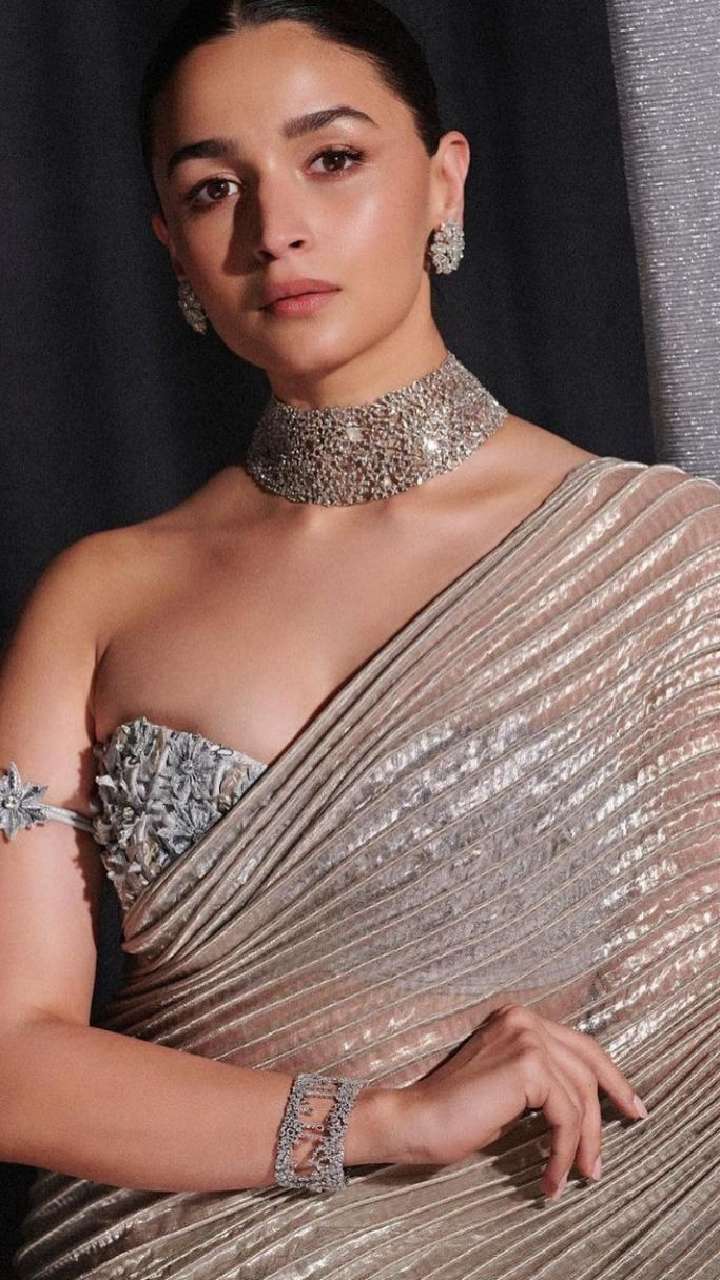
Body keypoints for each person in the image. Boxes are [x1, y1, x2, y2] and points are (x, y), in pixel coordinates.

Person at [2, 1, 719, 1276]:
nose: (274, 226)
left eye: (331, 158)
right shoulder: (101, 598)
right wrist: (378, 1122)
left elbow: (687, 1033)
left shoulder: (662, 557)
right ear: (170, 242)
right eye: (214, 187)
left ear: (444, 181)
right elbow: (12, 1058)